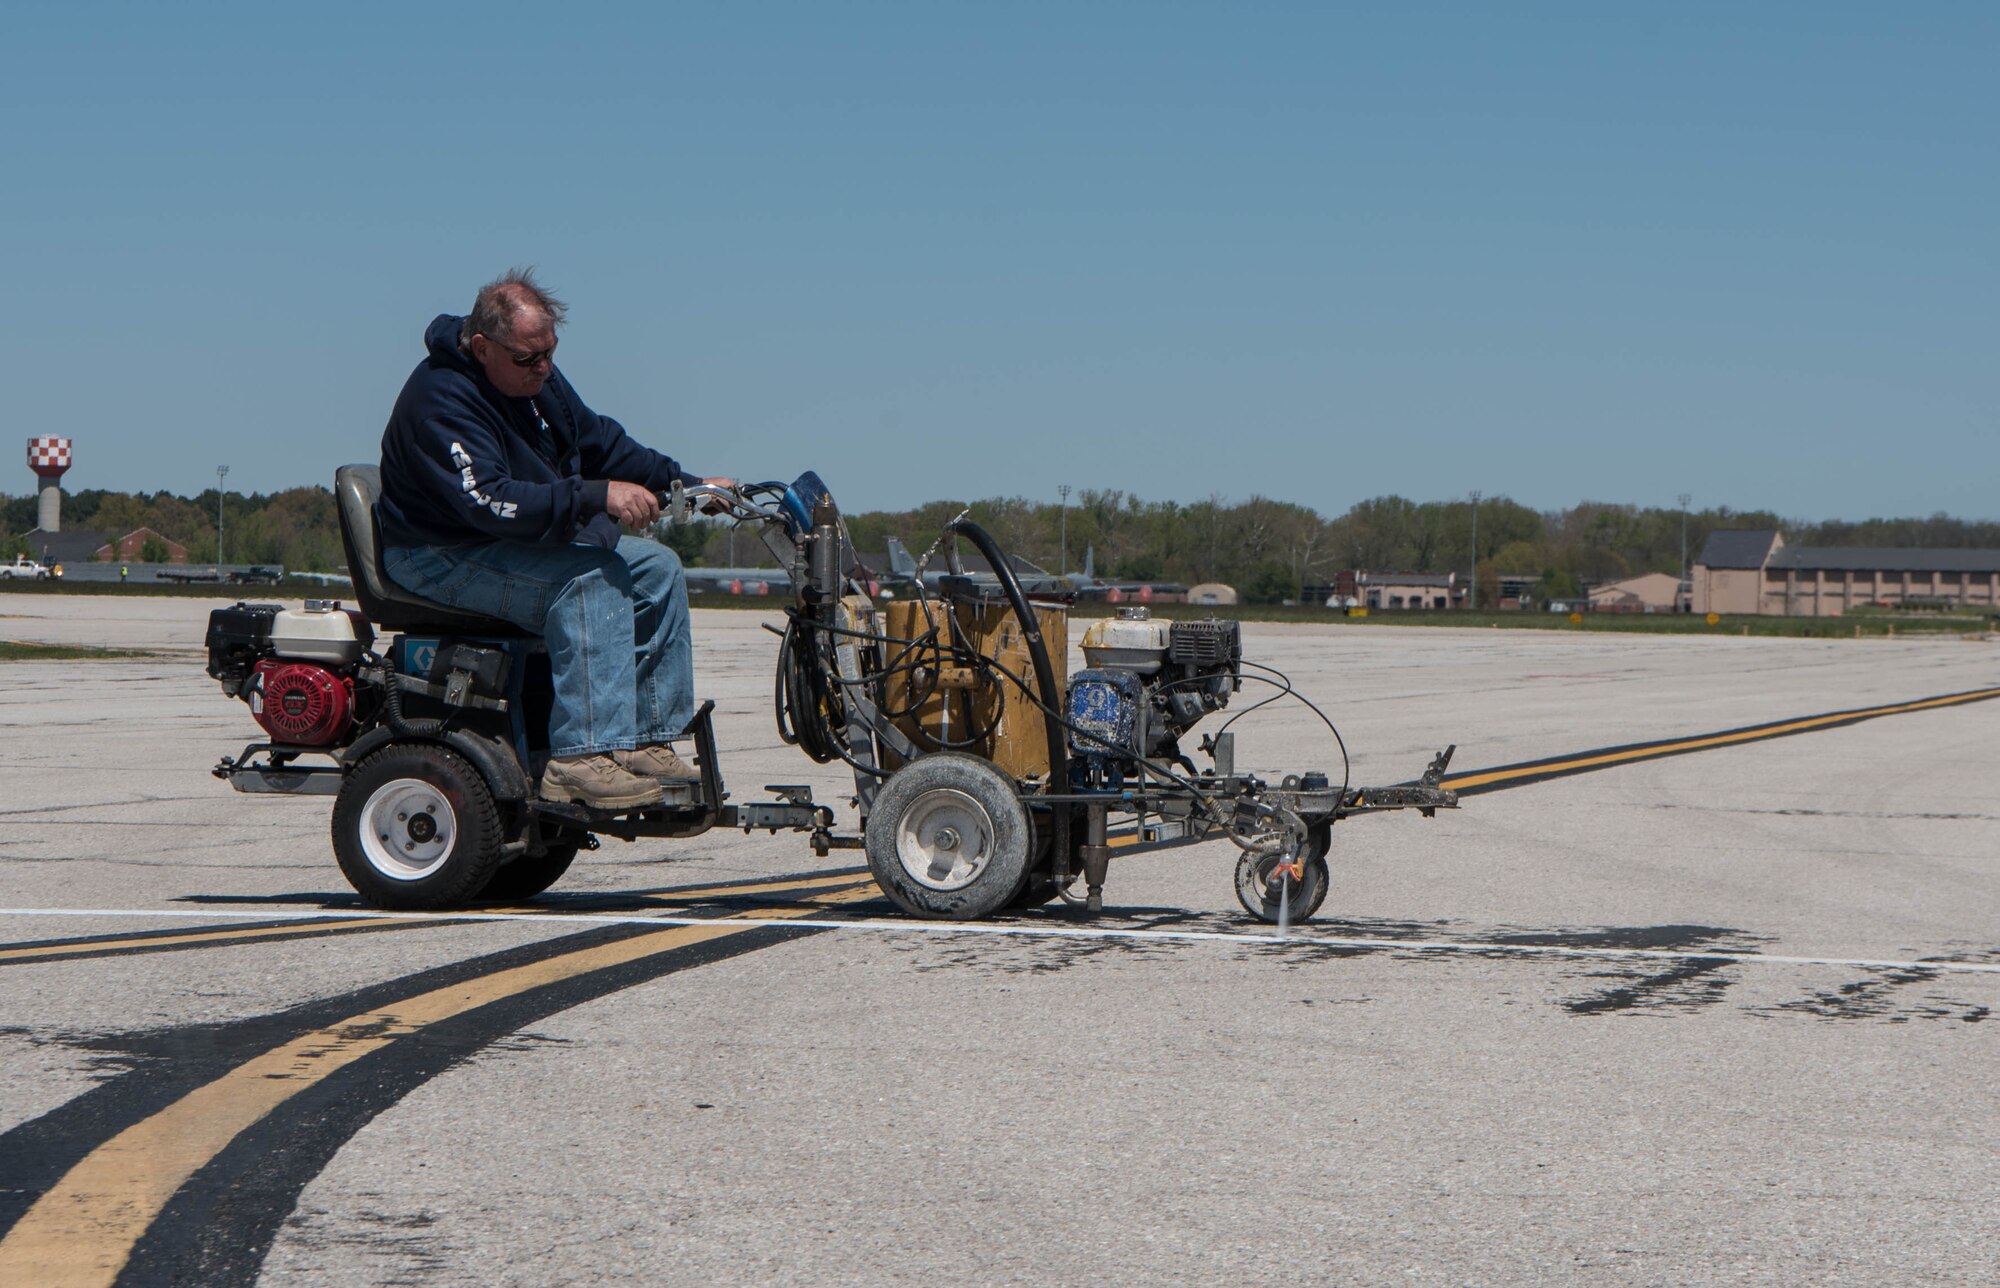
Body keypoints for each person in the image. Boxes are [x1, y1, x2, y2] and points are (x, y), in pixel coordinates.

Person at [377, 268, 732, 811]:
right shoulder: (441, 400)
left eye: (549, 353)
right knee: (591, 579)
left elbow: (600, 444)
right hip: (437, 554)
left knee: (655, 568)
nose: (543, 368)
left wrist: (687, 483)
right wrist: (595, 496)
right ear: (481, 346)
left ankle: (643, 740)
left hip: (494, 542)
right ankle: (579, 759)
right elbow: (491, 502)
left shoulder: (536, 380)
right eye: (527, 358)